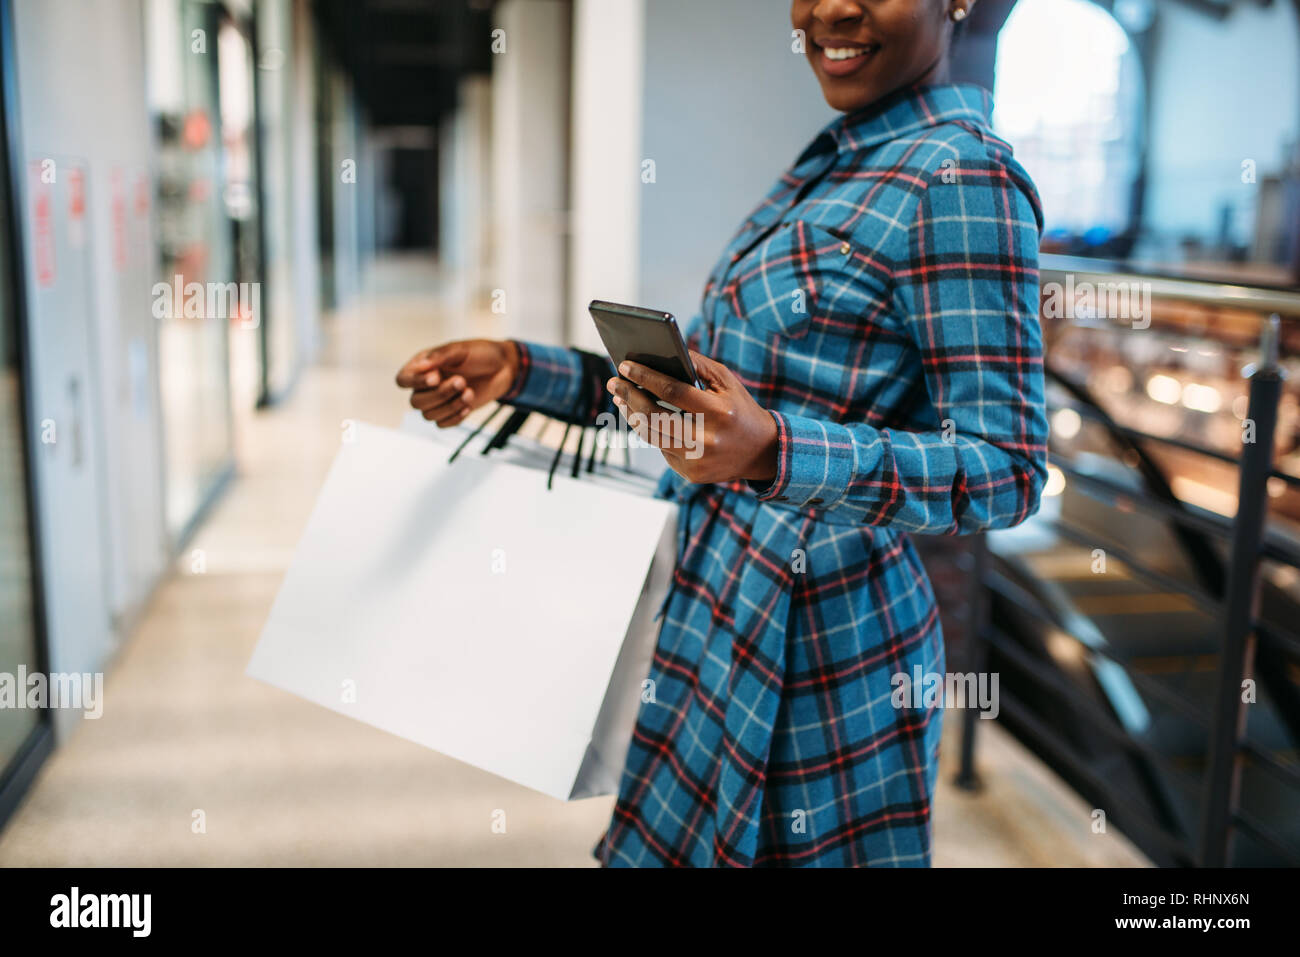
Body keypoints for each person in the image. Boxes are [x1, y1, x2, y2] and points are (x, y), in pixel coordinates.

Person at [396, 0, 1047, 867]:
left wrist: (777, 451)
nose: (832, 9)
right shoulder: (842, 161)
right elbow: (704, 406)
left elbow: (1007, 468)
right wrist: (519, 369)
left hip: (823, 658)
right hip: (715, 609)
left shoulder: (961, 178)